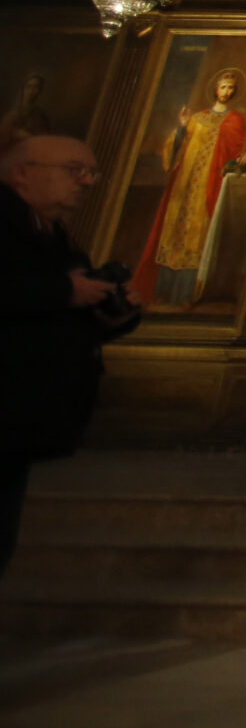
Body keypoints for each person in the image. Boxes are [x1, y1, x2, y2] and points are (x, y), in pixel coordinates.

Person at [0, 136, 139, 572]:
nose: (87, 181)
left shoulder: (49, 232)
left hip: (17, 419)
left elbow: (54, 318)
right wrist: (65, 290)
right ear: (21, 171)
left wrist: (111, 318)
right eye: (74, 169)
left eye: (92, 172)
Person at [133, 69, 246, 308]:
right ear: (215, 89)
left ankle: (187, 296)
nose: (227, 92)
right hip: (183, 185)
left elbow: (243, 149)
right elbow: (174, 148)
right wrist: (181, 127)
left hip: (206, 189)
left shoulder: (235, 120)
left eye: (231, 88)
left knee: (197, 237)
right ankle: (163, 293)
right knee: (173, 234)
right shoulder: (197, 118)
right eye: (223, 87)